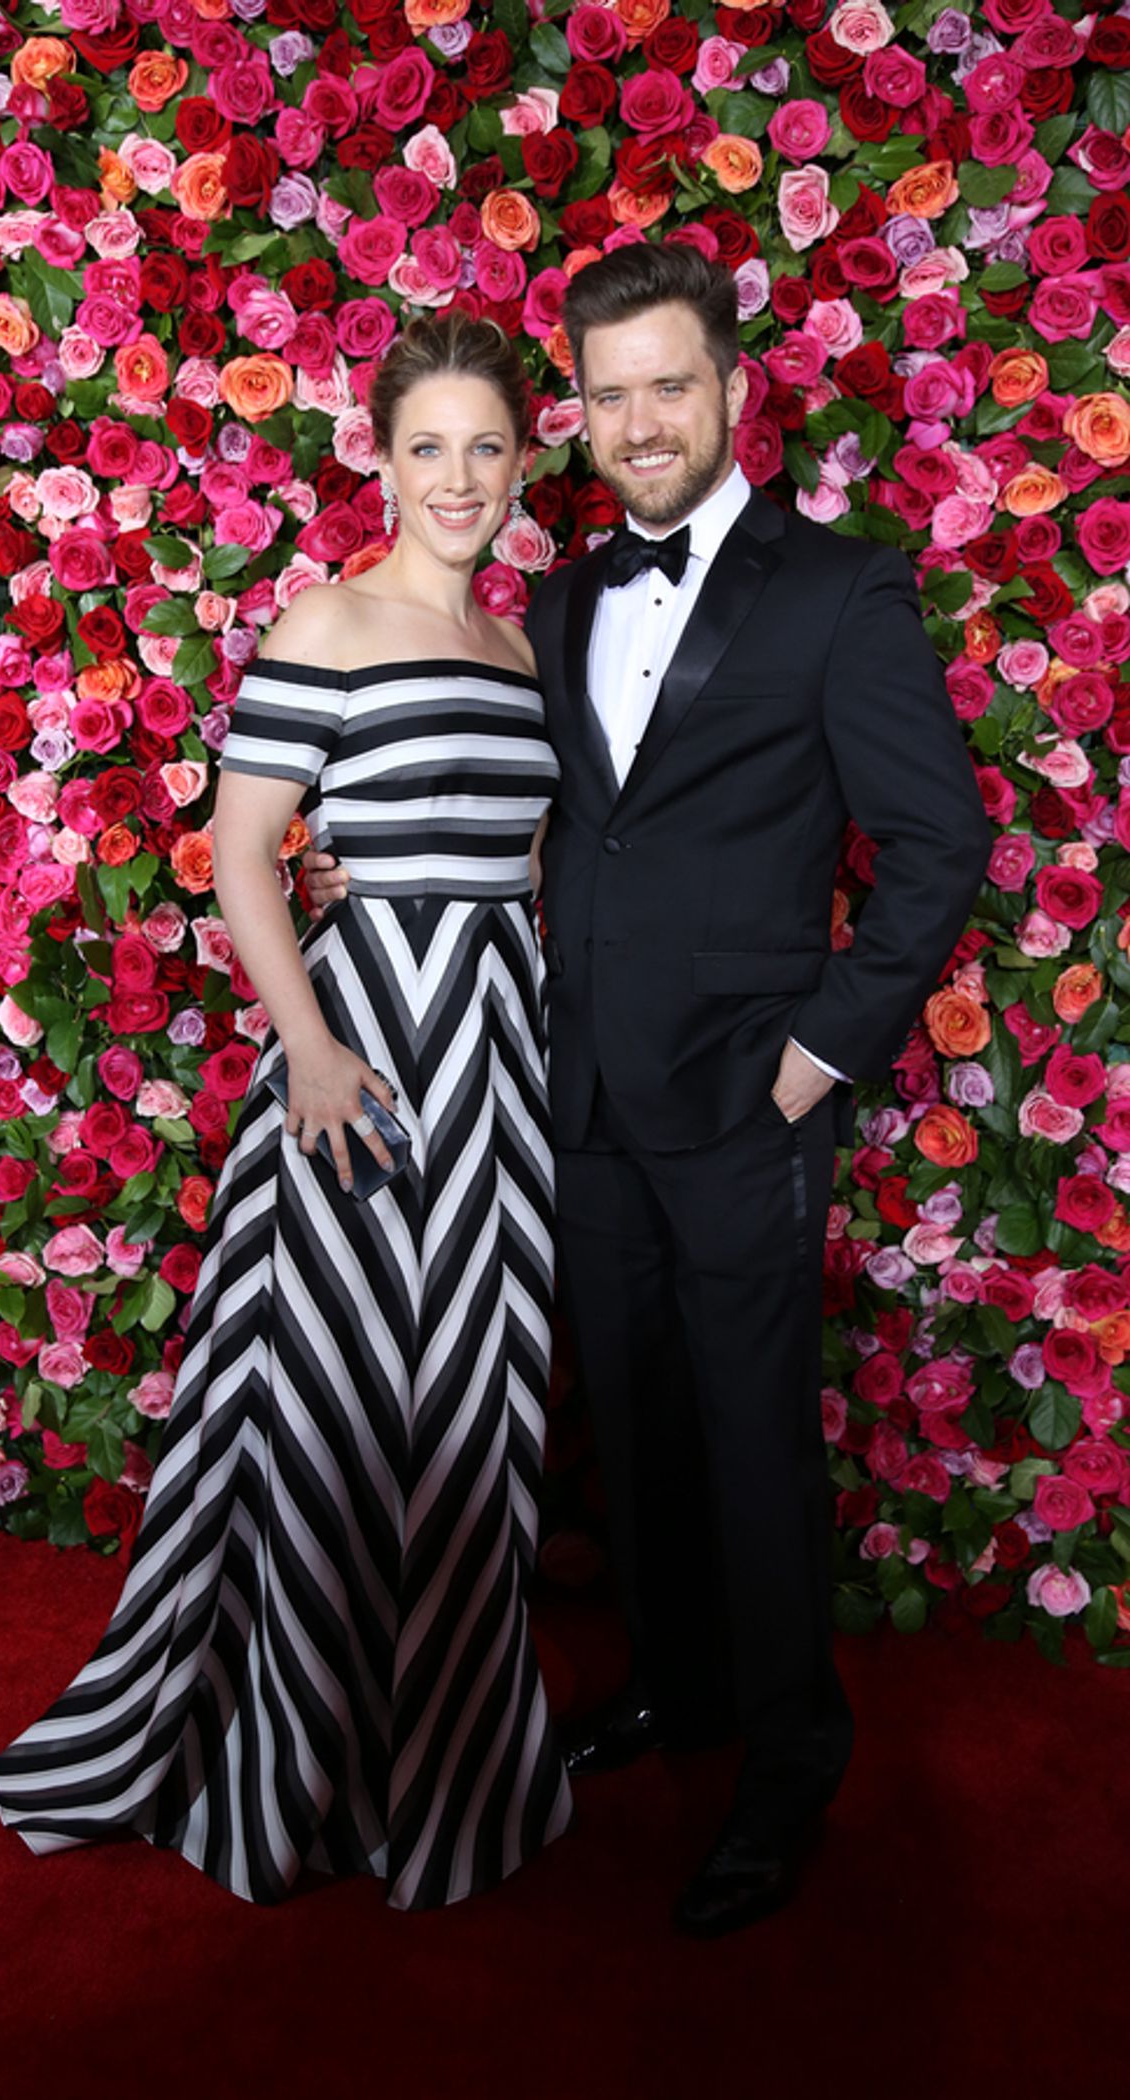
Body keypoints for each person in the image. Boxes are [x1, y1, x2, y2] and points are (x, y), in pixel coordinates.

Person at [306, 243, 991, 1937]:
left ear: (733, 389)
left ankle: (785, 1765)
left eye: (665, 385)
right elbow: (537, 821)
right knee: (638, 1436)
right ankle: (676, 1693)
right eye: (606, 397)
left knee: (756, 1444)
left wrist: (818, 1057)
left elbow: (939, 848)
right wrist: (363, 889)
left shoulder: (840, 591)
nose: (636, 423)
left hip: (748, 1102)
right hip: (576, 1095)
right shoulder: (554, 600)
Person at [0, 311, 572, 1911]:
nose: (458, 478)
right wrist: (307, 1046)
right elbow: (250, 853)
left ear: (528, 462)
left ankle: (444, 1765)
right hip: (361, 1049)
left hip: (495, 1063)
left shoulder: (523, 649)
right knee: (329, 1413)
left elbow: (524, 865)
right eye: (427, 447)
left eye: (487, 447)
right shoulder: (329, 619)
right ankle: (292, 1766)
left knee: (472, 1405)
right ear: (381, 461)